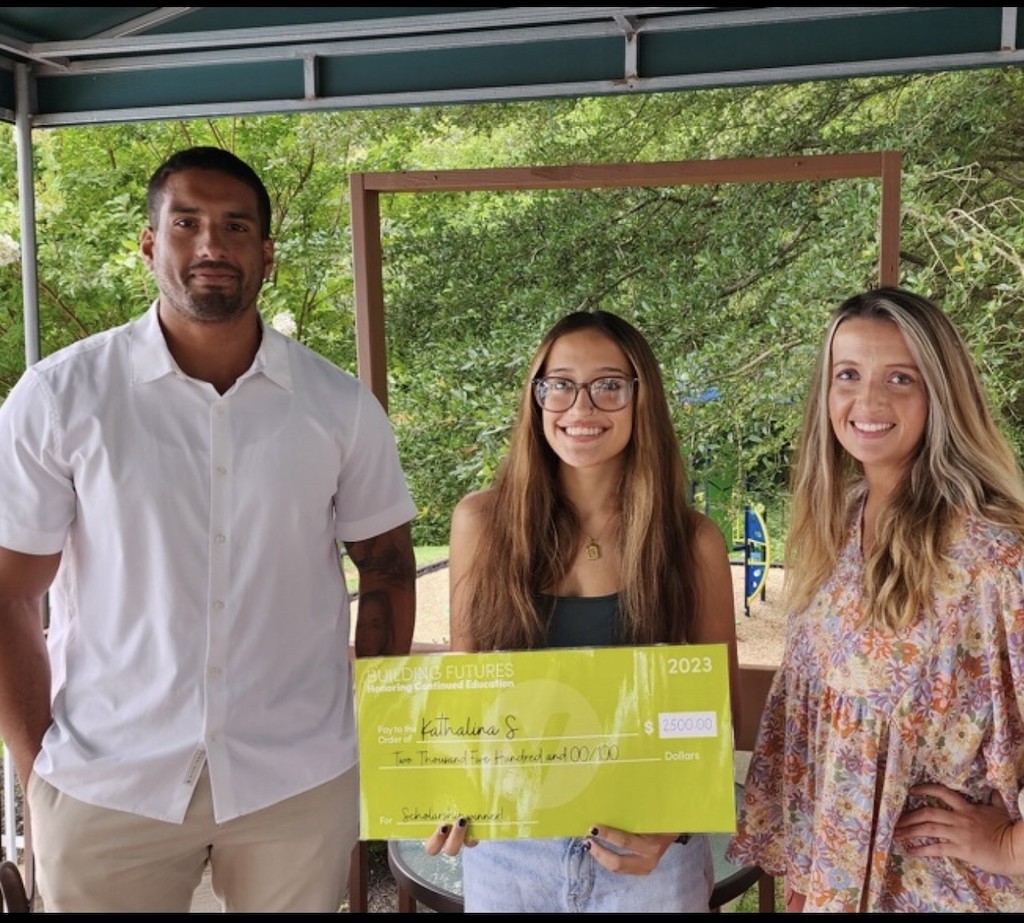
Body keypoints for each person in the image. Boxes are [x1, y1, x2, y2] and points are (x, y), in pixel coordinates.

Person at [0, 146, 418, 912]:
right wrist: (38, 770)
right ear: (149, 243)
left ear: (268, 253)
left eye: (236, 226)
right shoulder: (60, 397)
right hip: (106, 778)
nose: (212, 244)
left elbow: (388, 567)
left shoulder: (338, 406)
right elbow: (9, 592)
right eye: (186, 223)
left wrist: (372, 736)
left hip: (296, 780)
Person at [424, 309, 740, 912]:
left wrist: (671, 829)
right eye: (560, 385)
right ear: (537, 398)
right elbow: (468, 697)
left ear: (642, 398)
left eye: (609, 385)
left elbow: (715, 716)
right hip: (510, 848)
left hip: (646, 854)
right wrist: (445, 793)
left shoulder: (691, 540)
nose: (581, 407)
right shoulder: (481, 523)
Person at [727, 287, 1024, 912]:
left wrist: (1007, 844)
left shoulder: (993, 555)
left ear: (942, 393)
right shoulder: (839, 522)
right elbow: (821, 741)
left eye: (900, 378)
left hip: (939, 894)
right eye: (848, 375)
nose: (869, 402)